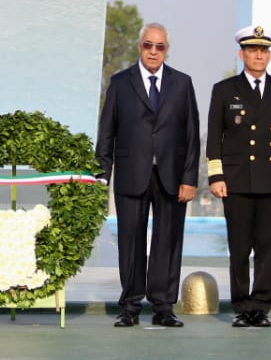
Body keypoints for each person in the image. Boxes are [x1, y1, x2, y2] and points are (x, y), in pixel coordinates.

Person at [95, 23, 200, 328]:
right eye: (148, 45)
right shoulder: (120, 83)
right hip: (131, 174)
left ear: (167, 49)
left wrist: (189, 178)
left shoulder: (182, 83)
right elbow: (107, 132)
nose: (153, 51)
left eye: (160, 46)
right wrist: (102, 175)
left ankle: (163, 306)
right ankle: (130, 306)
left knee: (168, 241)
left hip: (171, 176)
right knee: (130, 241)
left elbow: (191, 135)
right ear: (139, 46)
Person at [207, 25, 271, 328]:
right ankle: (241, 306)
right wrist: (216, 176)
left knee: (266, 249)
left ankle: (260, 307)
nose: (258, 56)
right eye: (252, 50)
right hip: (237, 181)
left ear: (269, 55)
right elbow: (214, 138)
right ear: (242, 54)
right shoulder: (225, 90)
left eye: (263, 50)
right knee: (239, 249)